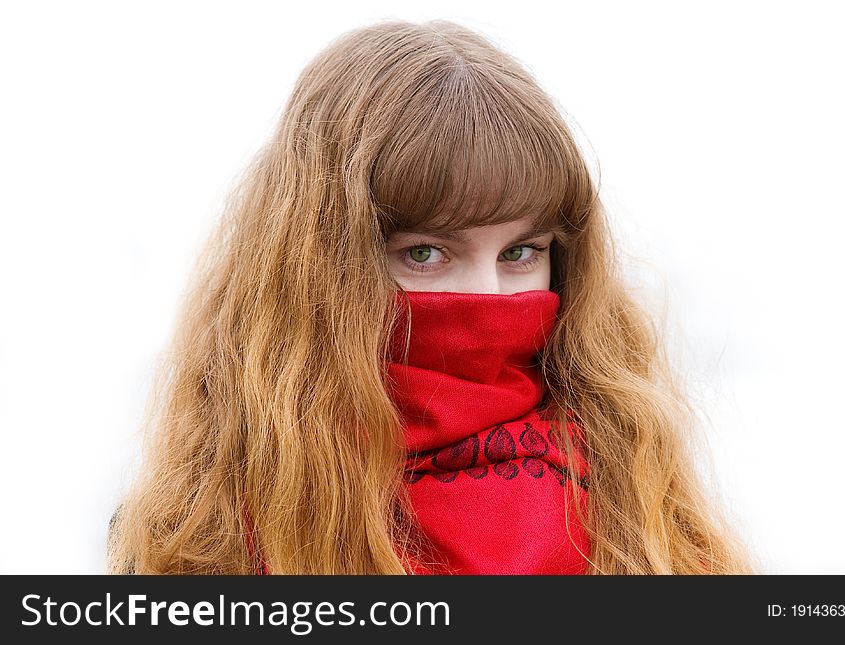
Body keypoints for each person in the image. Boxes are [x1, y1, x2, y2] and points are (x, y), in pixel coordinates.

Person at [107, 18, 753, 574]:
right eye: (425, 253)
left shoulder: (637, 498)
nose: (488, 297)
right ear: (323, 271)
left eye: (520, 252)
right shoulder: (197, 534)